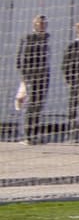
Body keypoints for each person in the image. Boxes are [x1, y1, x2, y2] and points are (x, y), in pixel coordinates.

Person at [14, 15, 49, 145]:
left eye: (44, 23)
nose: (43, 25)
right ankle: (28, 135)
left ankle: (35, 134)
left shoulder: (46, 38)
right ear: (35, 24)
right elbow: (21, 58)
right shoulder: (28, 38)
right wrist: (25, 78)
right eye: (40, 23)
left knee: (39, 105)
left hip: (43, 77)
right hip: (31, 76)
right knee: (31, 105)